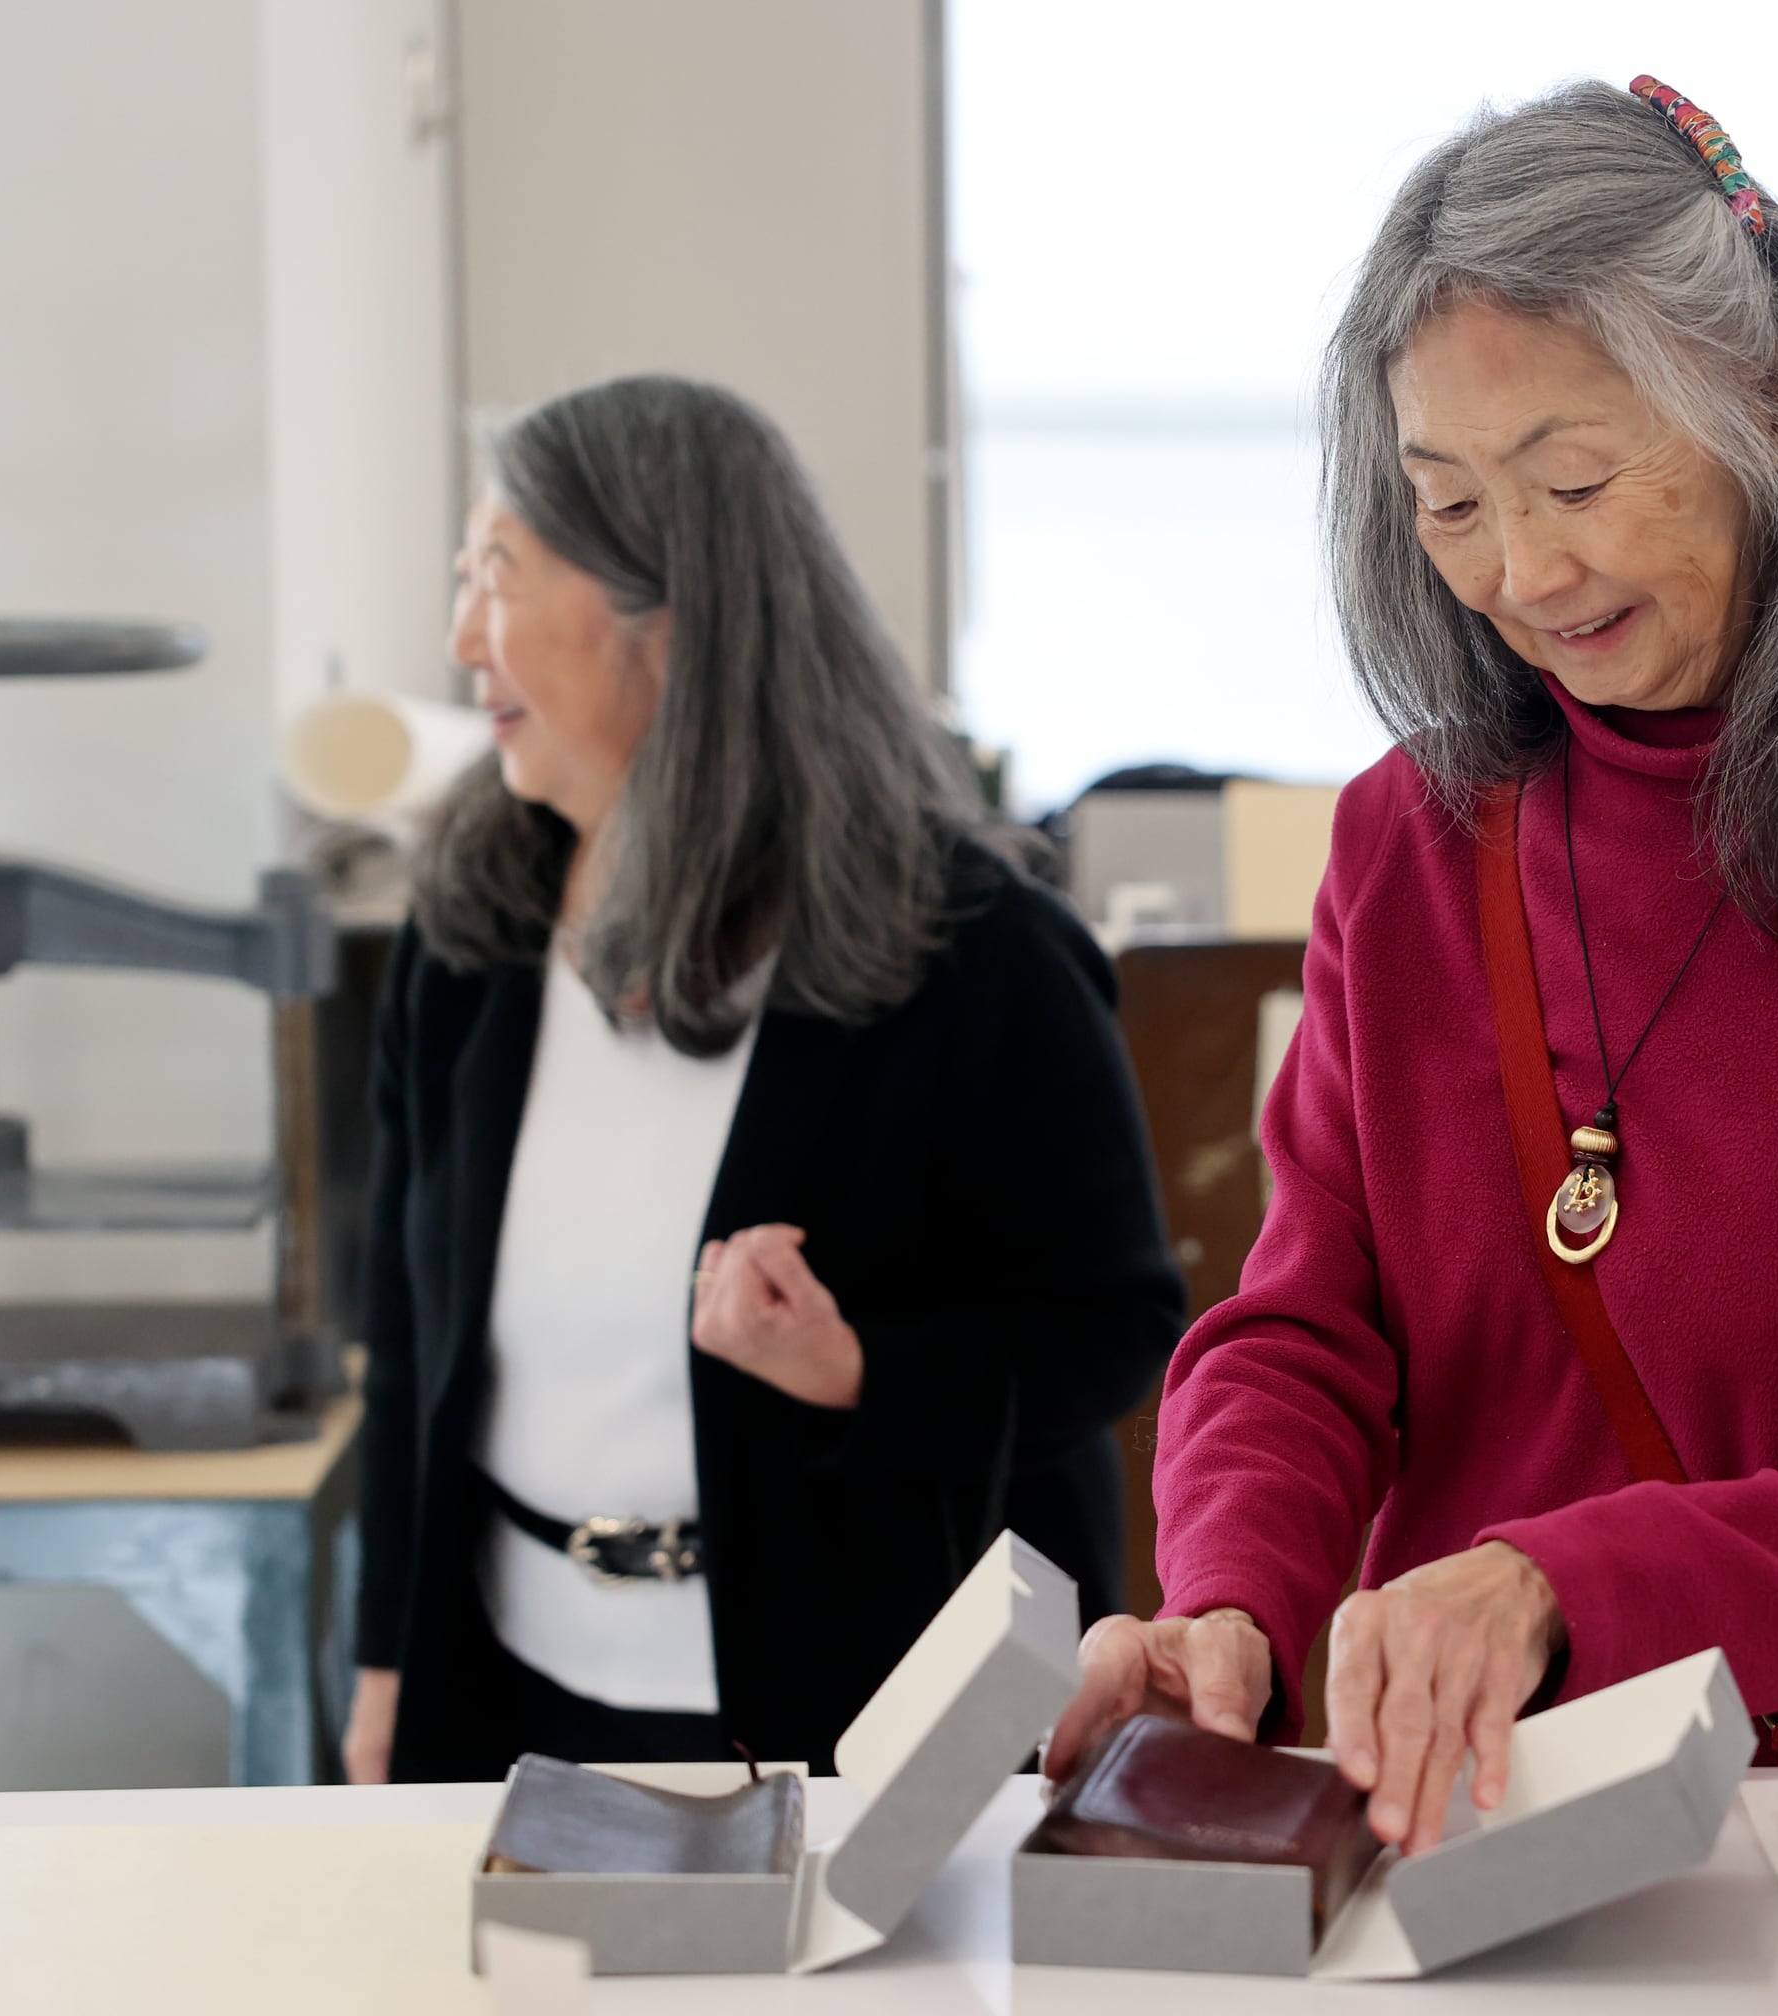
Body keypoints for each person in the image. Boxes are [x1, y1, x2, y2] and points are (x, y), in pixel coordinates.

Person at [1046, 78, 1778, 1855]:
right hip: (1469, 1809)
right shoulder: (1407, 841)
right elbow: (1303, 1326)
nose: (1523, 573)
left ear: (1770, 408)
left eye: (1574, 479)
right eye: (1449, 503)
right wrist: (1233, 1605)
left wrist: (1556, 1580)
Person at [345, 375, 1183, 1783]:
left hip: (868, 1716)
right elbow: (407, 1332)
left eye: (500, 573)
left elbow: (1118, 1327)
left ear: (666, 619)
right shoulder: (469, 937)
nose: (460, 638)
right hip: (513, 1697)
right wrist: (383, 1659)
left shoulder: (976, 953)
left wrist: (859, 1371)